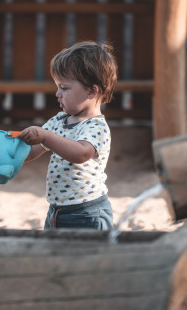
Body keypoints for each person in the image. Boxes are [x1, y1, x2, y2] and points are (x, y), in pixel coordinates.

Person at [18, 41, 117, 230]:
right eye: (58, 87)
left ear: (91, 90)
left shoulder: (96, 127)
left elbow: (81, 153)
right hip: (56, 211)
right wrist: (14, 147)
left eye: (64, 88)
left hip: (87, 214)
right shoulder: (58, 121)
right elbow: (31, 152)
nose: (57, 94)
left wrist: (46, 137)